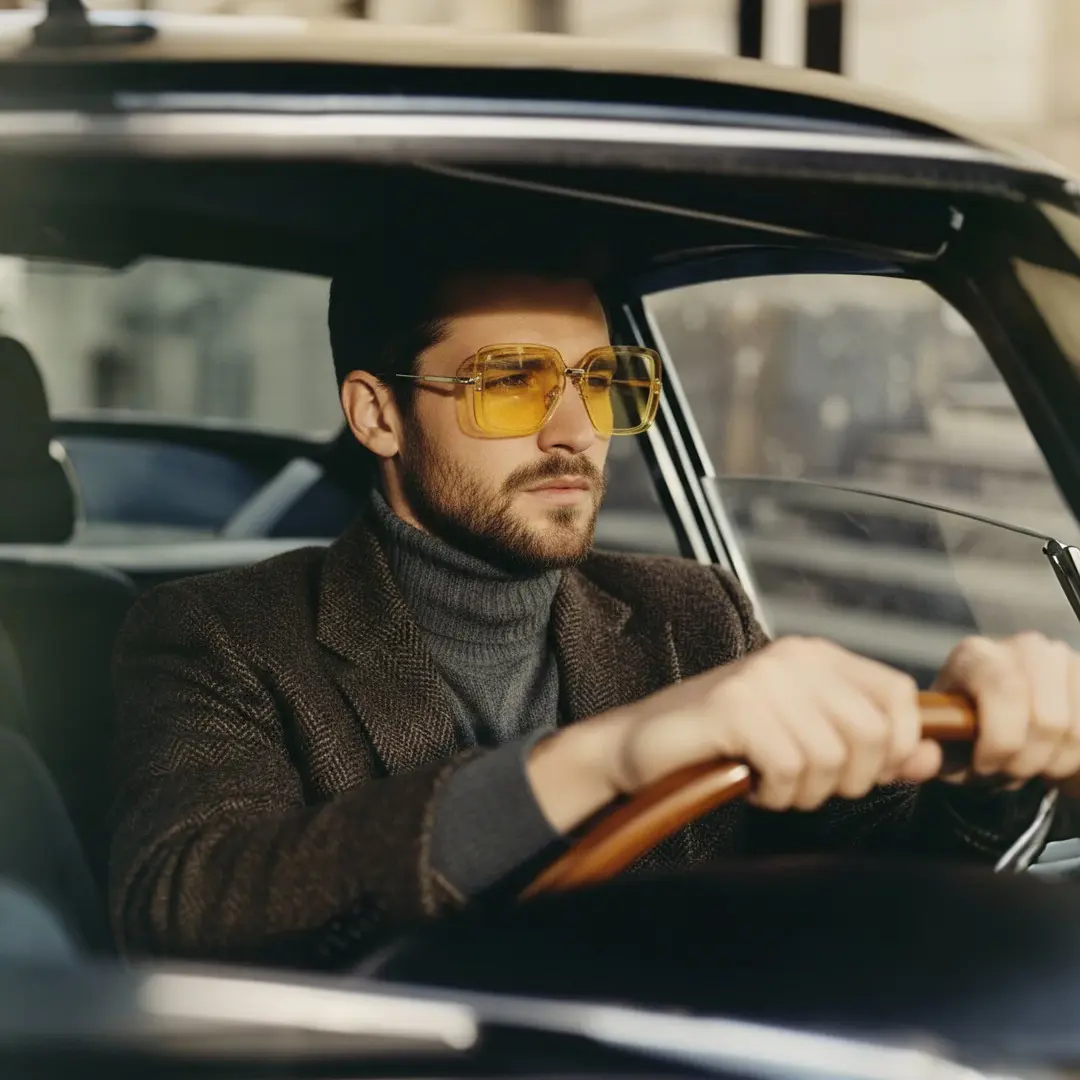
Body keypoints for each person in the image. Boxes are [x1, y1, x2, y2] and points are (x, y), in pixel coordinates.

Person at [110, 242, 1080, 970]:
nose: (576, 430)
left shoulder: (689, 610)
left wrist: (983, 776)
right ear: (376, 414)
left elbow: (862, 869)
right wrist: (609, 756)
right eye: (513, 383)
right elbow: (184, 905)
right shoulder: (222, 632)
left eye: (604, 382)